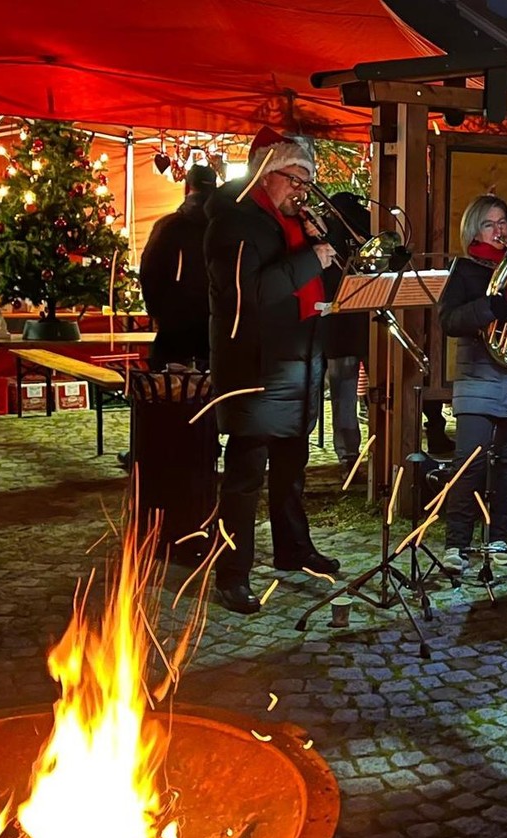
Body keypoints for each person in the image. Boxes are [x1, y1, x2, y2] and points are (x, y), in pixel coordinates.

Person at [204, 128, 341, 613]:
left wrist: (325, 252)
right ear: (266, 173)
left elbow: (317, 285)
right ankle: (232, 574)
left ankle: (293, 549)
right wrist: (312, 258)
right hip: (255, 369)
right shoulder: (234, 223)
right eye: (295, 178)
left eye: (308, 180)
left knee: (292, 470)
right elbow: (252, 295)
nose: (302, 190)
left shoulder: (297, 225)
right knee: (245, 476)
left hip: (299, 362)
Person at [438, 194, 507, 569]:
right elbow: (448, 321)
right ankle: (456, 544)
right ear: (474, 228)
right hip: (478, 377)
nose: (498, 231)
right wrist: (493, 308)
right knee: (469, 462)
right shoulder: (465, 270)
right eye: (489, 223)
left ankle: (497, 538)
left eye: (503, 223)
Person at [139, 164, 216, 369]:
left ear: (188, 187)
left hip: (175, 329)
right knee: (211, 392)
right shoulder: (226, 227)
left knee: (168, 392)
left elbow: (149, 273)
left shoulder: (170, 226)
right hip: (217, 327)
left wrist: (159, 313)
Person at [318, 191, 373, 469]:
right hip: (369, 318)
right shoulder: (370, 222)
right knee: (378, 387)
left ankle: (348, 453)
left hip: (336, 321)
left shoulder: (323, 228)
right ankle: (380, 443)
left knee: (344, 391)